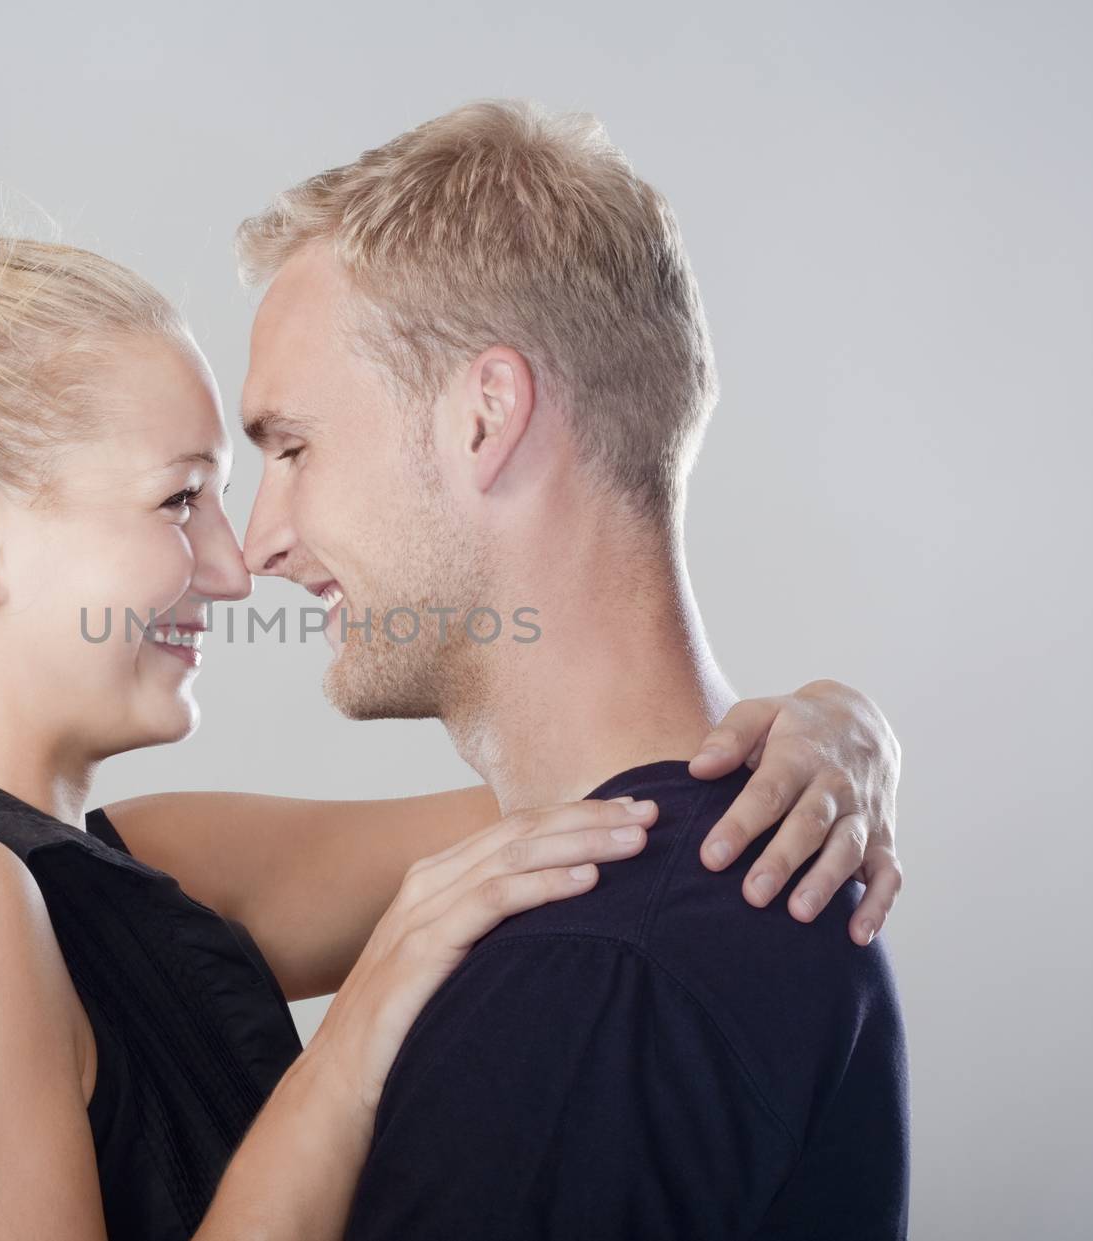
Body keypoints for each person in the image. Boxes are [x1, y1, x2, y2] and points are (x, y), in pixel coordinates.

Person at [0, 175, 901, 1239]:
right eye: (180, 499)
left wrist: (831, 727)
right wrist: (351, 1043)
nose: (238, 567)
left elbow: (605, 800)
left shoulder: (141, 863)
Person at [228, 99, 910, 1238]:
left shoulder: (595, 973)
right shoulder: (701, 870)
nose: (257, 544)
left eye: (293, 449)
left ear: (485, 417)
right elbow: (107, 887)